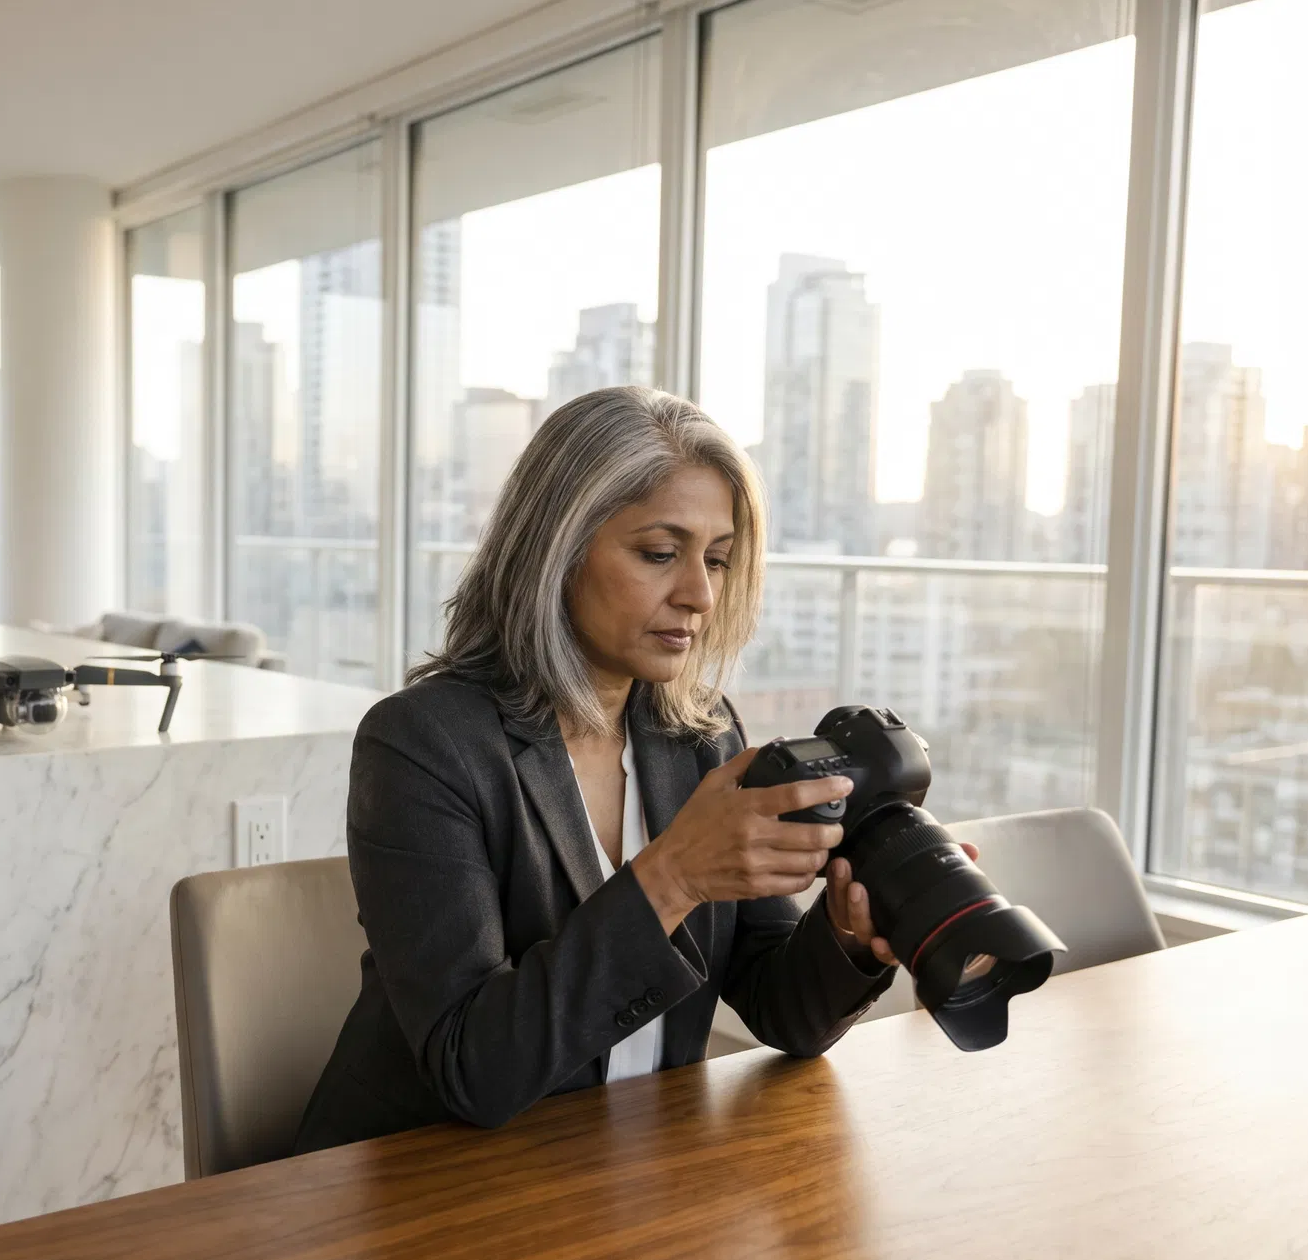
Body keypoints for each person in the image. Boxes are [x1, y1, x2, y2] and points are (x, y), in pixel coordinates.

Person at [295, 385, 978, 1151]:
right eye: (659, 554)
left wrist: (846, 938)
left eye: (717, 560)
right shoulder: (423, 744)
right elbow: (472, 1070)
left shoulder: (703, 738)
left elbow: (782, 1009)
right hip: (427, 1180)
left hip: (624, 1167)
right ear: (556, 548)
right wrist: (674, 877)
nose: (699, 595)